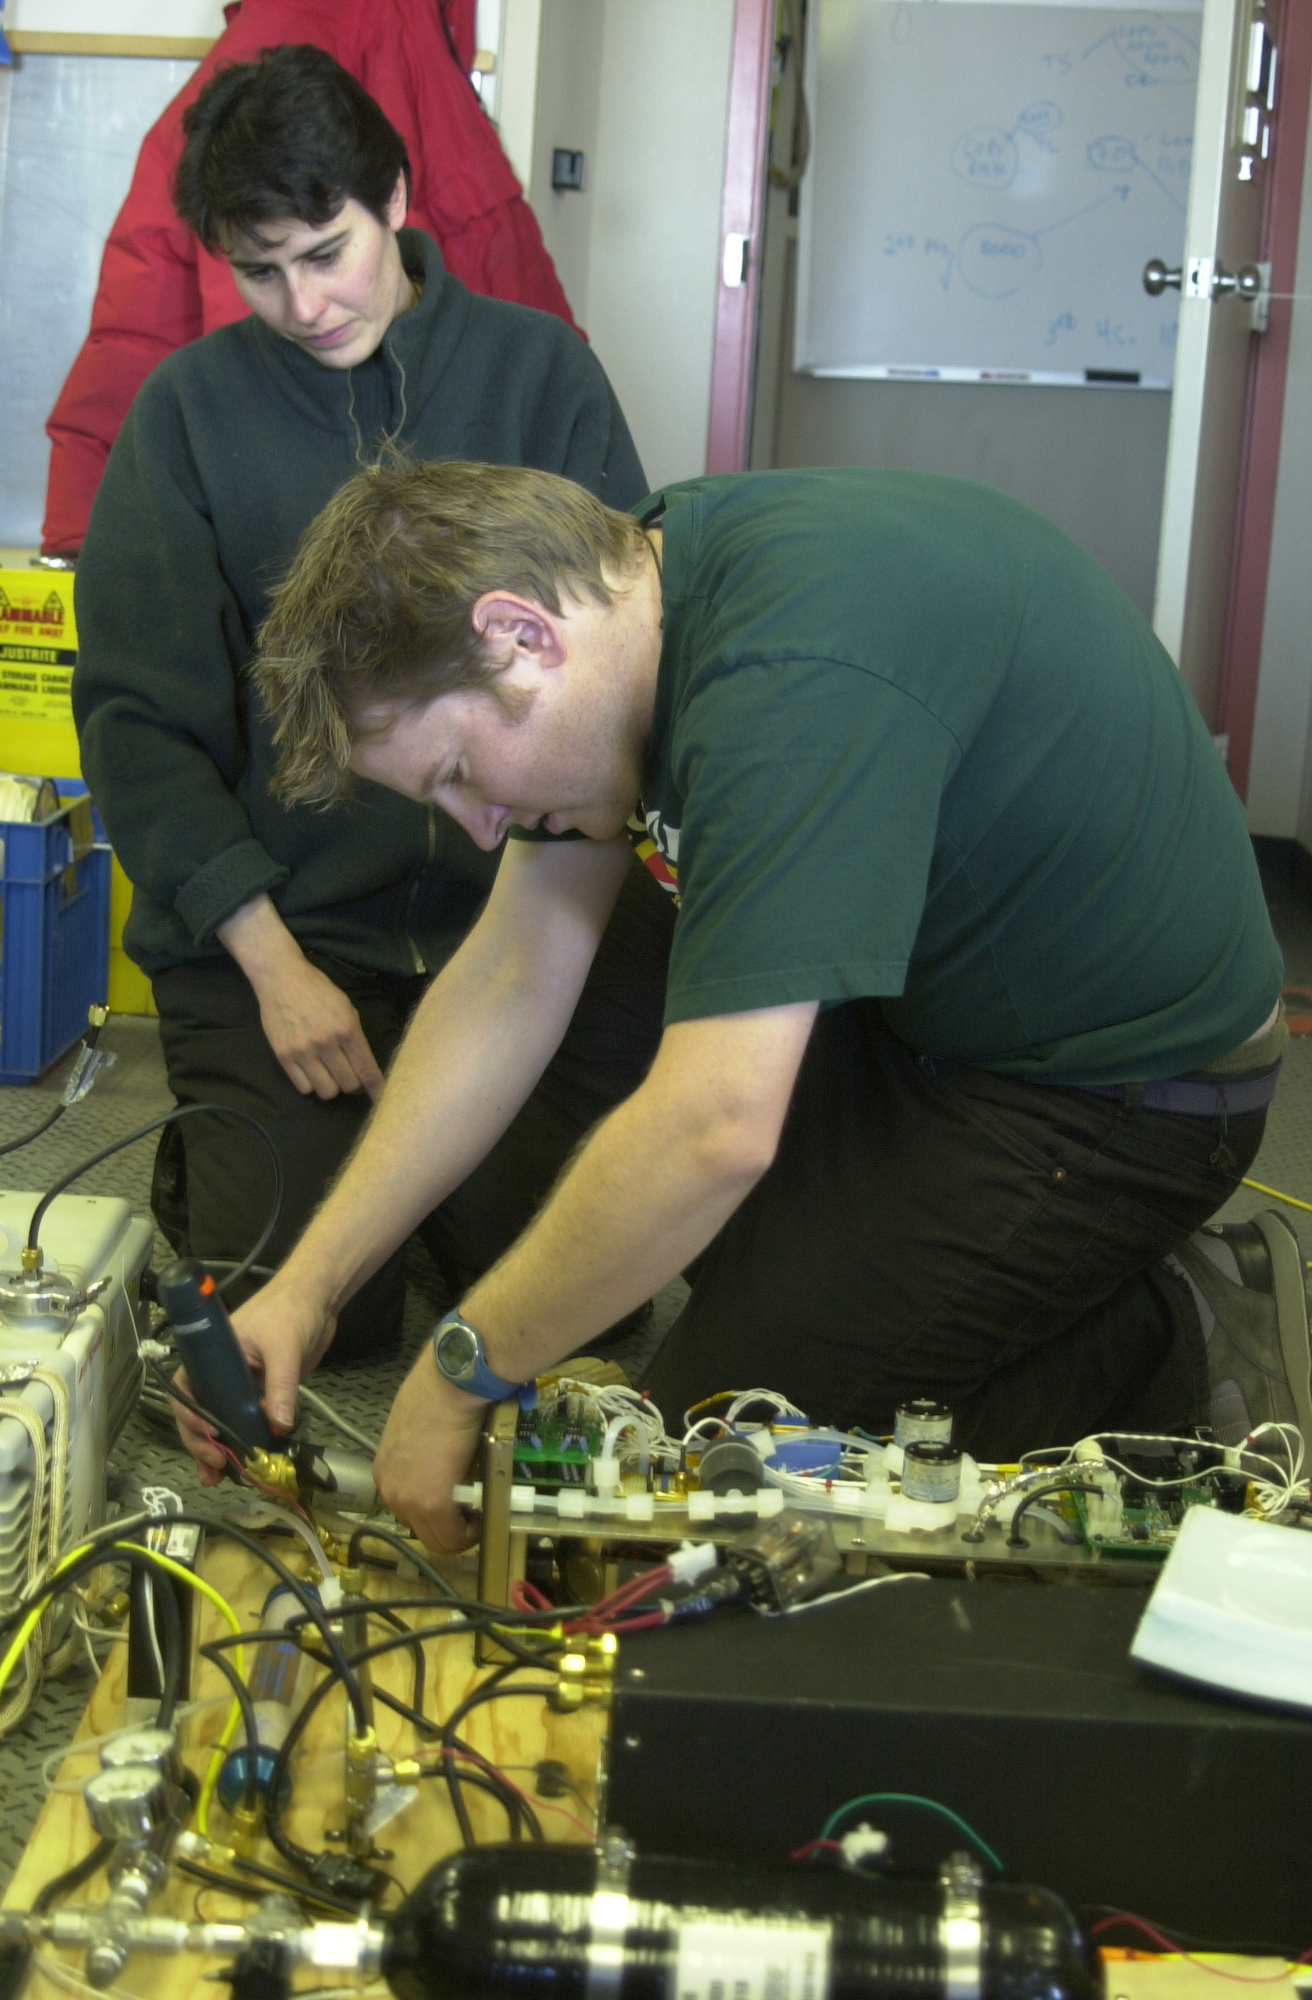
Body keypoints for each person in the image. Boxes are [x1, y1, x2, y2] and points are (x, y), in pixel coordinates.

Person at [176, 459, 1308, 1552]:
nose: (478, 825)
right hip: (930, 1003)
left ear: (521, 632)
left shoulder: (787, 675)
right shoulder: (641, 586)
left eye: (459, 772)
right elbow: (511, 973)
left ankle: (1160, 1349)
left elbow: (715, 1128)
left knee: (691, 1476)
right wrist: (312, 1285)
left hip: (1121, 1094)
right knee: (674, 1246)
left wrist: (455, 1372)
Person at [73, 51, 672, 1354]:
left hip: (513, 920)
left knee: (557, 1304)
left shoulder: (542, 374)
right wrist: (271, 964)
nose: (303, 301)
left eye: (327, 251)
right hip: (283, 938)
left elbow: (625, 657)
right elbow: (134, 718)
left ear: (395, 197)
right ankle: (219, 1162)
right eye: (261, 269)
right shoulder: (186, 414)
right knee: (319, 1312)